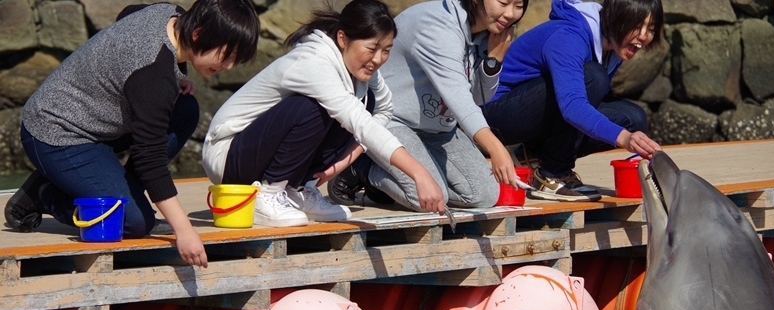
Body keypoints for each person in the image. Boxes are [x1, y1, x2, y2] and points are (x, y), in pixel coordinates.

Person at [5, 0, 261, 268]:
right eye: (227, 56)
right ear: (198, 35)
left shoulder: (171, 14)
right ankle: (46, 194)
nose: (229, 66)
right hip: (55, 132)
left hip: (97, 122)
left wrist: (173, 75)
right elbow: (149, 158)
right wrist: (184, 231)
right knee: (135, 221)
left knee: (185, 110)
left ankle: (117, 190)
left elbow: (128, 14)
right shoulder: (153, 75)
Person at [202, 0, 445, 228]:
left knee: (366, 103)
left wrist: (342, 162)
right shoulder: (314, 62)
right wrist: (418, 173)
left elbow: (383, 110)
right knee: (313, 107)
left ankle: (298, 188)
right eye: (372, 48)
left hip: (256, 155)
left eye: (386, 50)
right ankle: (269, 192)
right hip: (227, 156)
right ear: (342, 39)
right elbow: (358, 122)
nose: (378, 59)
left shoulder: (361, 69)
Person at [328, 0, 527, 212]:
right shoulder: (437, 26)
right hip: (391, 120)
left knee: (485, 195)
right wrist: (495, 148)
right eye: (504, 2)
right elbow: (457, 96)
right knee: (431, 198)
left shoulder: (484, 34)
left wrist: (493, 59)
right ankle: (362, 168)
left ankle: (400, 178)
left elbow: (476, 98)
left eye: (518, 5)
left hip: (439, 128)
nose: (509, 14)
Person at [483, 0, 664, 202]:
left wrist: (626, 134)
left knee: (633, 119)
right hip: (497, 114)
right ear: (616, 18)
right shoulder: (569, 36)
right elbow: (572, 106)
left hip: (536, 113)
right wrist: (623, 138)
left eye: (651, 29)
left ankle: (533, 154)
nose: (643, 36)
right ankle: (551, 174)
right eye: (636, 26)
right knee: (594, 78)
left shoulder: (614, 45)